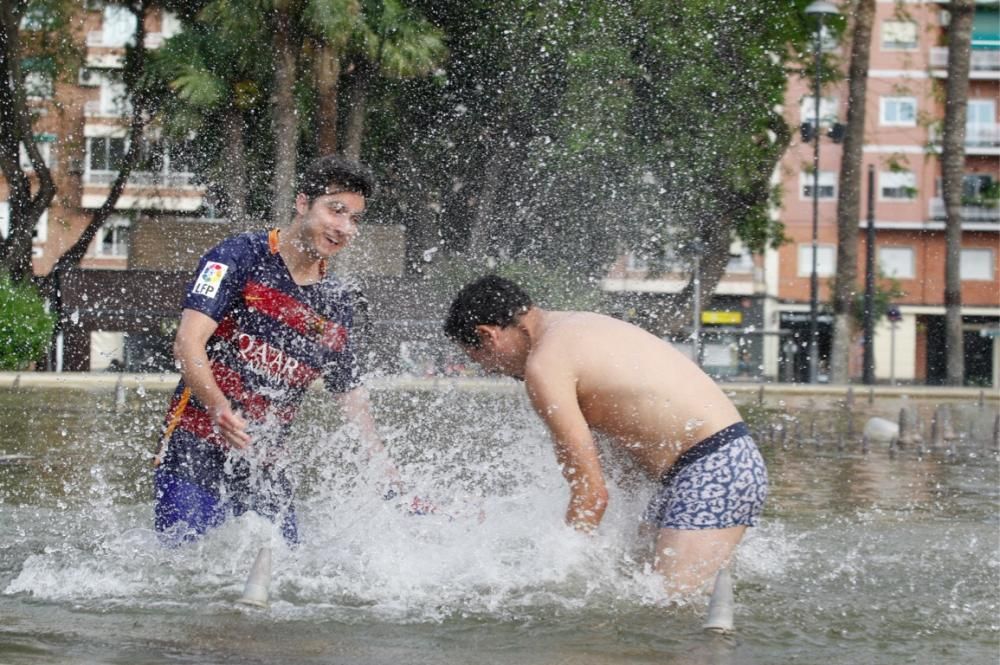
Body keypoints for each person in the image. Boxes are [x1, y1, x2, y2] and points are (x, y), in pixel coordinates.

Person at [443, 275, 768, 595]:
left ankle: (714, 645)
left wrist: (557, 575)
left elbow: (591, 494)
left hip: (712, 468)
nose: (489, 370)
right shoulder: (577, 326)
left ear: (487, 336)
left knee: (672, 607)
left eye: (480, 360)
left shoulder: (545, 366)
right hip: (709, 465)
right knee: (638, 587)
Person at [153, 155, 400, 544]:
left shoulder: (336, 303)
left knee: (283, 572)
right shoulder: (238, 257)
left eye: (354, 219)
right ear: (303, 204)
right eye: (336, 211)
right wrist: (219, 407)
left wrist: (381, 463)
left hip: (265, 462)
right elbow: (187, 343)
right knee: (182, 563)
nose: (344, 228)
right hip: (194, 445)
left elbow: (349, 392)